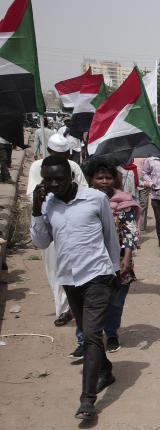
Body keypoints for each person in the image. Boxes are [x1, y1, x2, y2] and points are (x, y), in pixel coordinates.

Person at [30, 156, 120, 420]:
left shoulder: (95, 199)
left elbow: (109, 237)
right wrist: (36, 211)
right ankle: (105, 370)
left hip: (98, 274)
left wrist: (115, 270)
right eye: (48, 180)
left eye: (59, 178)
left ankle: (87, 399)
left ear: (71, 176)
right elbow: (41, 242)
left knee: (91, 335)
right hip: (70, 278)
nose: (54, 184)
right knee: (88, 331)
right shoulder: (47, 204)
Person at [25, 132, 87, 331]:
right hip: (49, 221)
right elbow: (32, 194)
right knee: (54, 268)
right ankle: (62, 308)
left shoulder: (74, 167)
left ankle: (76, 308)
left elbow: (83, 189)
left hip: (72, 223)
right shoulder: (38, 167)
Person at [83, 160, 140, 353]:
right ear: (91, 180)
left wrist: (126, 257)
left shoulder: (124, 202)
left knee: (115, 301)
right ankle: (85, 340)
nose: (105, 181)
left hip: (118, 260)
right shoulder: (82, 201)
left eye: (108, 177)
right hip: (90, 259)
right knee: (88, 301)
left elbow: (130, 231)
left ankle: (112, 333)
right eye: (100, 178)